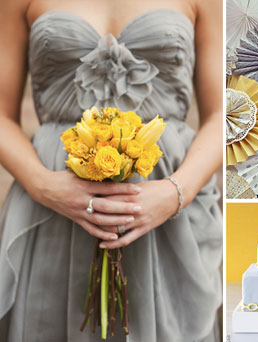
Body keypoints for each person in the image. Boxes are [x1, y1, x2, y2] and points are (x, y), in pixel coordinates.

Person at [0, 0, 222, 341]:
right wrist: (44, 186)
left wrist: (175, 192)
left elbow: (224, 113)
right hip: (52, 210)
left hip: (170, 212)